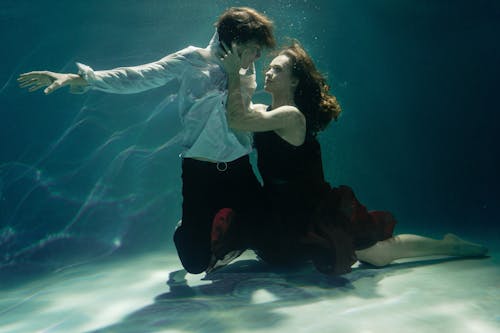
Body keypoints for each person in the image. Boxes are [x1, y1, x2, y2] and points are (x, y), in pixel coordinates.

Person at [17, 7, 276, 274]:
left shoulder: (247, 69)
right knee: (196, 264)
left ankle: (232, 228)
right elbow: (139, 76)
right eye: (255, 48)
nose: (258, 56)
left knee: (273, 246)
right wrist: (85, 79)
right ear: (234, 44)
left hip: (239, 167)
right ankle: (185, 230)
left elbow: (238, 110)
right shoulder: (192, 59)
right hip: (201, 172)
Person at [218, 40, 488, 275]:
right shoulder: (264, 112)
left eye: (277, 69)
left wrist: (233, 73)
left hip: (313, 211)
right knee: (261, 239)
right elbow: (240, 108)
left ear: (294, 80)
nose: (269, 71)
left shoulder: (292, 116)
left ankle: (448, 245)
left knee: (378, 256)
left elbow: (238, 118)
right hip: (277, 209)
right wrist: (242, 67)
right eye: (269, 67)